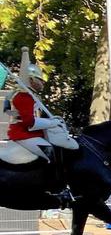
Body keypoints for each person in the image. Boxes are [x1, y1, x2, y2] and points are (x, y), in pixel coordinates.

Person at [4, 52, 78, 207]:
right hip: (24, 135)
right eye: (39, 80)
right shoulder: (22, 96)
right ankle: (57, 189)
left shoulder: (30, 96)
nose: (42, 83)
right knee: (51, 151)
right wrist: (51, 123)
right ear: (30, 79)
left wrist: (53, 122)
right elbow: (29, 122)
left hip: (30, 134)